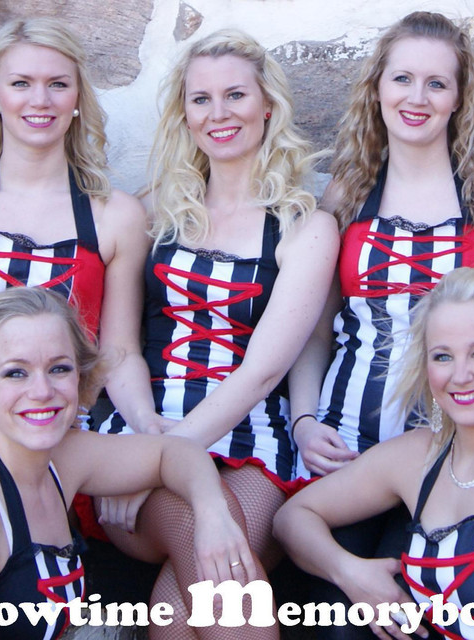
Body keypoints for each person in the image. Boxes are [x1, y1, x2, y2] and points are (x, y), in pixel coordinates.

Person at [285, 11, 474, 638]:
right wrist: (305, 420)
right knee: (335, 624)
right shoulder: (349, 192)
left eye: (437, 83)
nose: (417, 97)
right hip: (345, 453)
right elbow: (314, 331)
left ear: (459, 97)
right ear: (377, 87)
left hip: (457, 464)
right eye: (402, 78)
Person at [75, 28, 338, 640]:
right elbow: (119, 347)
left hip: (252, 443)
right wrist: (147, 447)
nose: (218, 113)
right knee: (207, 543)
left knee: (188, 594)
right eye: (201, 99)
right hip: (143, 426)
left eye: (235, 95)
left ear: (267, 106)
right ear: (185, 113)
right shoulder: (152, 211)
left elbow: (263, 371)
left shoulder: (304, 226)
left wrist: (165, 461)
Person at [0, 286, 256, 640]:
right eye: (16, 373)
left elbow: (174, 453)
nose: (42, 391)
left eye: (59, 369)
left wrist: (213, 513)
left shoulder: (60, 460)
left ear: (79, 376)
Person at [0, 17, 147, 431]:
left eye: (58, 84)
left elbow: (118, 354)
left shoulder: (117, 218)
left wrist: (145, 424)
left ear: (77, 98)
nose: (40, 99)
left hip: (63, 434)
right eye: (20, 83)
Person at [275, 266, 474, 640]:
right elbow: (292, 518)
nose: (460, 375)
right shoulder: (417, 456)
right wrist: (351, 573)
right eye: (443, 357)